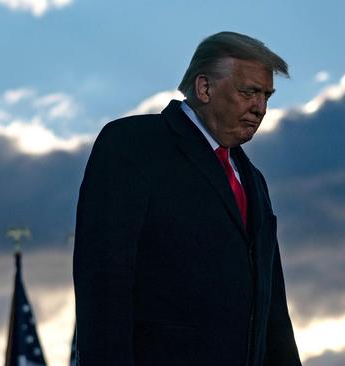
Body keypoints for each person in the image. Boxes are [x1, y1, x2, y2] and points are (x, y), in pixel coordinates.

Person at [73, 31, 302, 366]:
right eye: (249, 92)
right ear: (204, 88)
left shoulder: (254, 180)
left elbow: (272, 311)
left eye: (267, 96)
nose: (261, 108)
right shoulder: (132, 144)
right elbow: (105, 281)